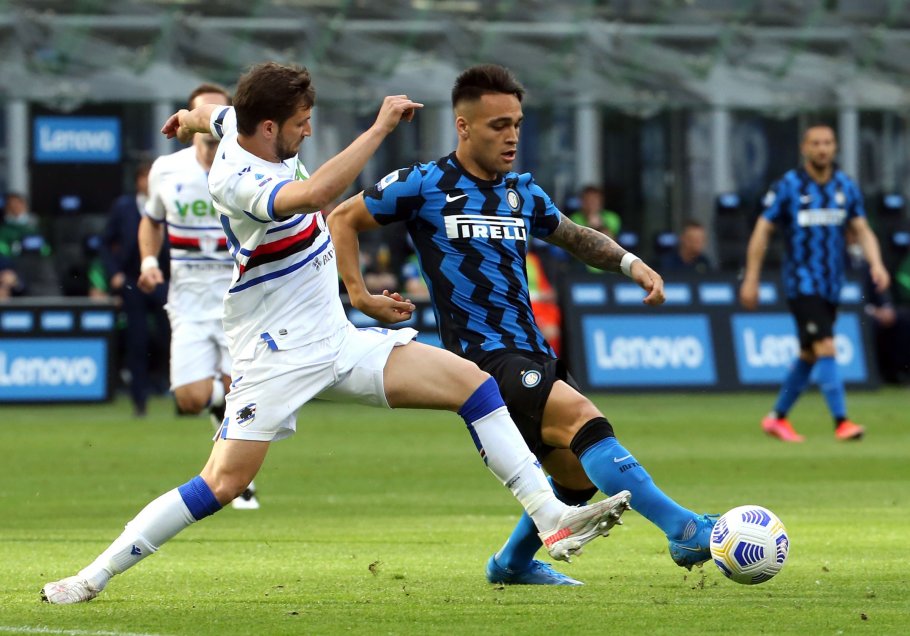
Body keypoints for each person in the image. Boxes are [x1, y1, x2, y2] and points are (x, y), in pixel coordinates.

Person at [41, 61, 630, 605]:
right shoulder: (237, 178)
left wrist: (189, 116)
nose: (307, 133)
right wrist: (379, 129)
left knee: (474, 385)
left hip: (338, 339)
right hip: (276, 353)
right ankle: (93, 575)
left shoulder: (241, 126)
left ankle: (549, 516)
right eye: (301, 125)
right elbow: (319, 196)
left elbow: (215, 116)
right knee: (221, 483)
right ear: (269, 127)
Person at [328, 63, 718, 587]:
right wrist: (360, 295)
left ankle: (510, 565)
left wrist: (631, 264)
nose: (511, 136)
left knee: (574, 473)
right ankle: (684, 528)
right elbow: (341, 218)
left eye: (516, 123)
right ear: (463, 127)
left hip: (530, 350)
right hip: (479, 359)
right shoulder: (425, 183)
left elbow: (576, 237)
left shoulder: (521, 192)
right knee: (582, 419)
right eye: (497, 126)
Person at [137, 83, 258, 510]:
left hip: (238, 301)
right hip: (187, 301)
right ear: (187, 124)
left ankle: (239, 483)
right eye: (199, 115)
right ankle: (219, 410)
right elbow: (151, 220)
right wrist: (149, 262)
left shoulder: (248, 168)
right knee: (189, 398)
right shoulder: (166, 169)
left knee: (240, 394)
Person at [739, 124, 890, 442]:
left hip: (830, 284)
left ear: (835, 148)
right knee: (826, 346)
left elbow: (861, 229)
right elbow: (762, 231)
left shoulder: (844, 186)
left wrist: (876, 263)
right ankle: (842, 421)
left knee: (809, 353)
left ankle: (777, 417)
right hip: (801, 283)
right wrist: (751, 277)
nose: (822, 149)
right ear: (804, 149)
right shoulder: (789, 186)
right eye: (816, 143)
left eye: (828, 143)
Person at [99, 163, 170, 417]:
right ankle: (139, 401)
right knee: (136, 341)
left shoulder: (169, 201)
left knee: (171, 337)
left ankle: (180, 394)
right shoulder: (124, 206)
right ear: (138, 180)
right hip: (132, 280)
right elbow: (105, 243)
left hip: (163, 280)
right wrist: (114, 273)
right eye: (145, 176)